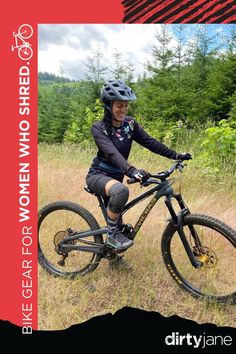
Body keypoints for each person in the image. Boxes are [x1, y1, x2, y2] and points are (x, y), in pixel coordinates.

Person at [85, 79, 192, 251]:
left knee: (122, 226)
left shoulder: (130, 124)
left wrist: (176, 155)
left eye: (126, 106)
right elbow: (111, 152)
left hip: (116, 178)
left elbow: (151, 143)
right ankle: (111, 235)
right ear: (108, 105)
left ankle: (114, 253)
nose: (124, 110)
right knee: (121, 191)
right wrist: (131, 170)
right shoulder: (99, 128)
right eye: (119, 105)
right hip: (98, 175)